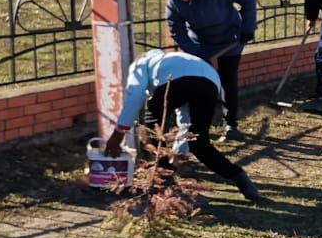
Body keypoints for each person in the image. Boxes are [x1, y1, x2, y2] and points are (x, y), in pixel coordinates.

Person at [104, 48, 260, 202]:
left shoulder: (140, 65)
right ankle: (239, 177)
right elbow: (185, 121)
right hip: (210, 83)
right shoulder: (177, 59)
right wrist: (180, 153)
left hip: (178, 81)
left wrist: (118, 134)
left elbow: (134, 98)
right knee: (199, 142)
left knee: (152, 128)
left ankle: (163, 182)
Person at [165, 0, 257, 142]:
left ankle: (230, 125)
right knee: (200, 84)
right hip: (200, 44)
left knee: (227, 82)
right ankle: (198, 127)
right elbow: (175, 28)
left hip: (229, 40)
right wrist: (195, 51)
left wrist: (247, 28)